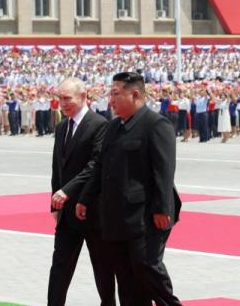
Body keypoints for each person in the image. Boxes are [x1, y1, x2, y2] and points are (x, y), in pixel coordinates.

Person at [77, 71, 182, 306]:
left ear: (135, 94)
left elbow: (164, 171)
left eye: (116, 94)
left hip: (147, 215)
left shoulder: (156, 125)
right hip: (117, 216)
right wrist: (85, 198)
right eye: (110, 94)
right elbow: (101, 166)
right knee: (126, 277)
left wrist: (162, 208)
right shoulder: (113, 127)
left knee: (147, 266)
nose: (111, 100)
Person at [47, 78, 116, 306]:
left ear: (83, 96)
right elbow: (57, 168)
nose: (62, 103)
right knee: (60, 267)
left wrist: (67, 191)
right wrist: (54, 203)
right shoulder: (62, 127)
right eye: (60, 98)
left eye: (67, 98)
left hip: (92, 210)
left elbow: (95, 165)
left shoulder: (99, 124)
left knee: (102, 268)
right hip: (66, 212)